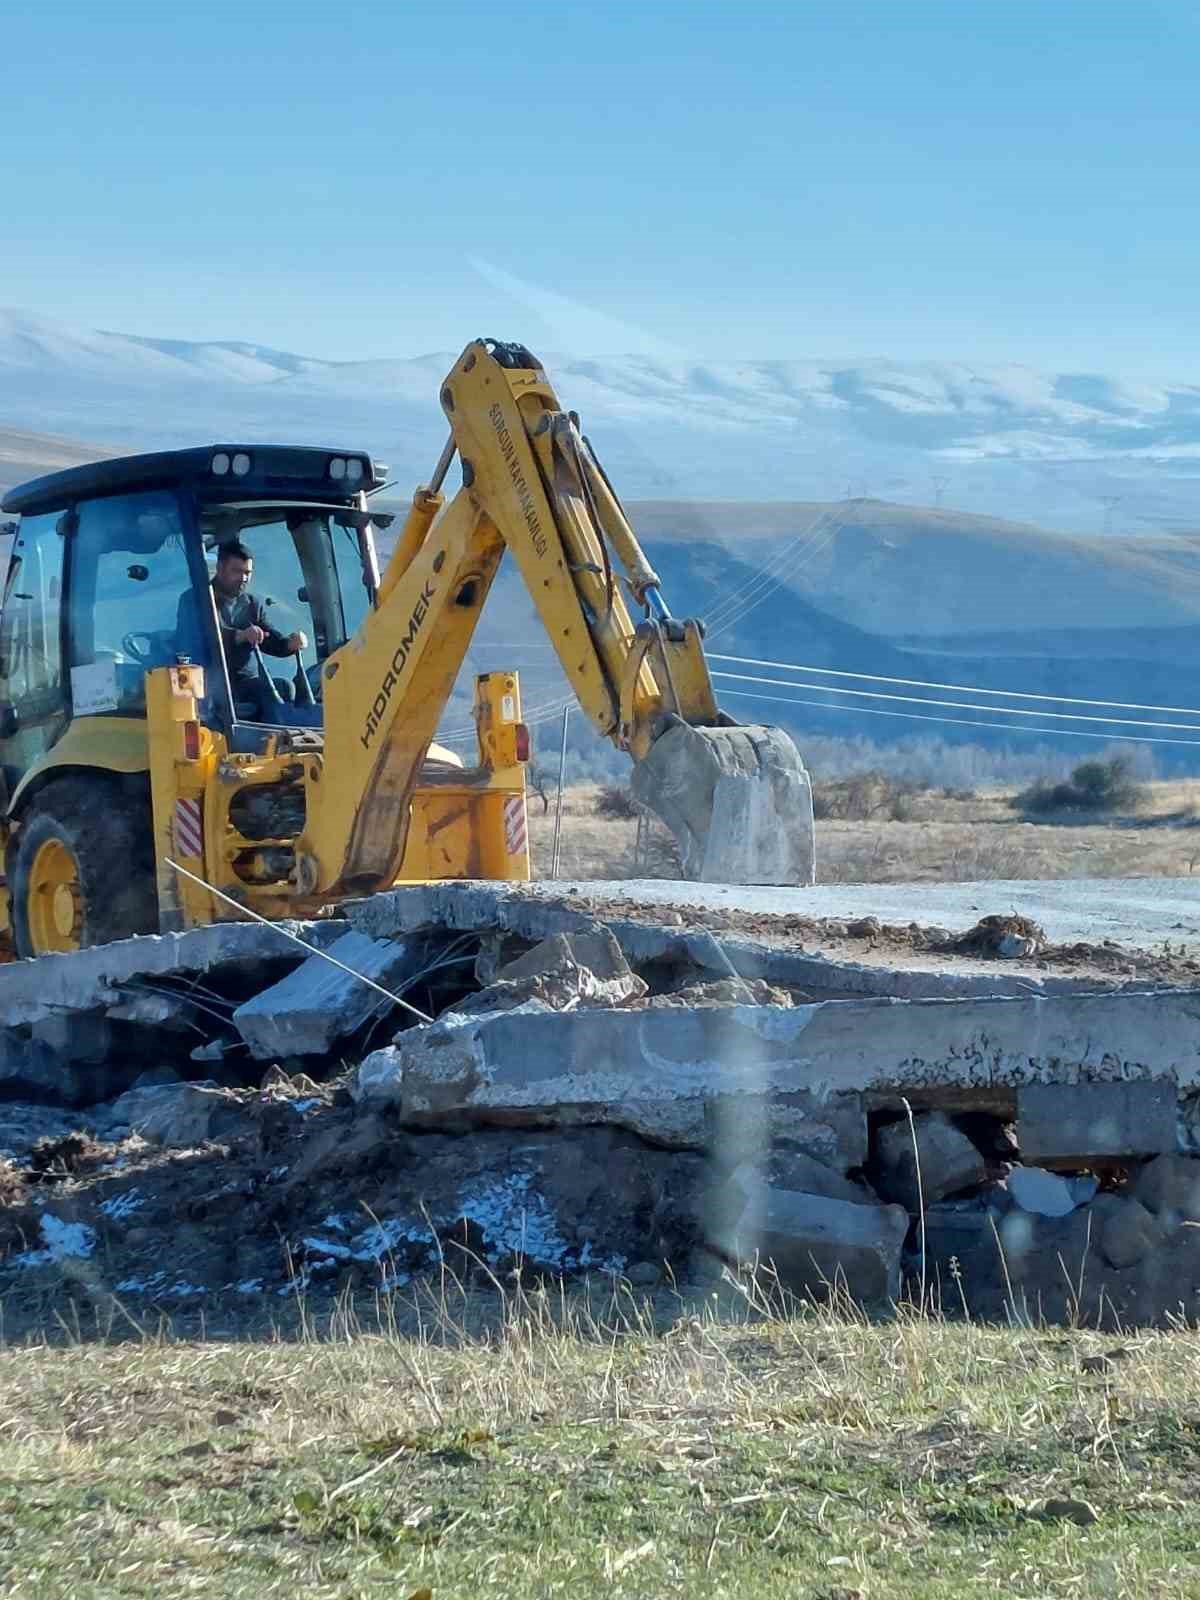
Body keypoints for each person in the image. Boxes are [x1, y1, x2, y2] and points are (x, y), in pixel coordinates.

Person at [176, 540, 308, 720]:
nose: (244, 578)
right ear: (220, 568)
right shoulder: (195, 599)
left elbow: (268, 638)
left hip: (247, 682)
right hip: (211, 683)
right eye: (237, 571)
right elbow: (199, 636)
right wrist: (239, 636)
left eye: (248, 573)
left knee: (285, 687)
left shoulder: (252, 603)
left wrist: (289, 644)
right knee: (265, 693)